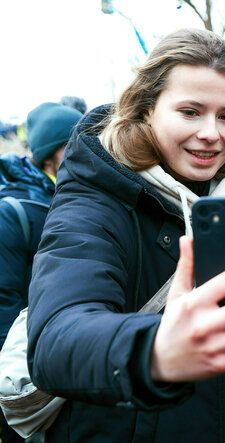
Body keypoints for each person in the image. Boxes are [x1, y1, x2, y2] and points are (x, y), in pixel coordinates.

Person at [26, 29, 225, 442]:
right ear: (146, 110)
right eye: (190, 112)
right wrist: (154, 353)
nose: (212, 132)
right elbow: (55, 341)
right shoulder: (96, 195)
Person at [0, 102, 82, 443]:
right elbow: (4, 300)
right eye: (73, 146)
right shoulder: (13, 211)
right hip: (28, 366)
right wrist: (11, 385)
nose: (85, 151)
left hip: (63, 355)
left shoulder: (76, 193)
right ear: (50, 154)